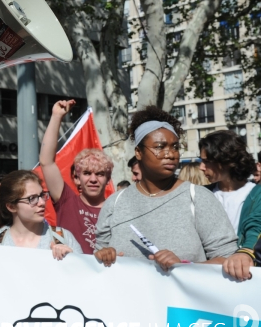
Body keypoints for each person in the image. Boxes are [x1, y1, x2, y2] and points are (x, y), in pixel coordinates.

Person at [94, 106, 238, 271]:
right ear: (138, 152)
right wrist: (104, 255)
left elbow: (228, 259)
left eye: (175, 147)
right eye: (160, 147)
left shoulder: (198, 198)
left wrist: (184, 267)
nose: (170, 154)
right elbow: (97, 256)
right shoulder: (115, 203)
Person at [39, 99, 113, 254]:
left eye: (100, 174)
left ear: (108, 179)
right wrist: (56, 116)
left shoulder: (117, 210)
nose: (93, 179)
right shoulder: (66, 201)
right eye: (87, 173)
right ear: (77, 178)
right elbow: (46, 162)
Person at [0, 170, 82, 255]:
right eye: (32, 198)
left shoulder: (63, 237)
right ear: (11, 207)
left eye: (42, 195)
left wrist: (73, 260)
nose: (42, 202)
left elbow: (84, 277)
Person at [198, 130, 257, 234]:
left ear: (226, 161)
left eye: (207, 162)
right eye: (201, 161)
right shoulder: (202, 194)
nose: (201, 167)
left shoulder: (256, 195)